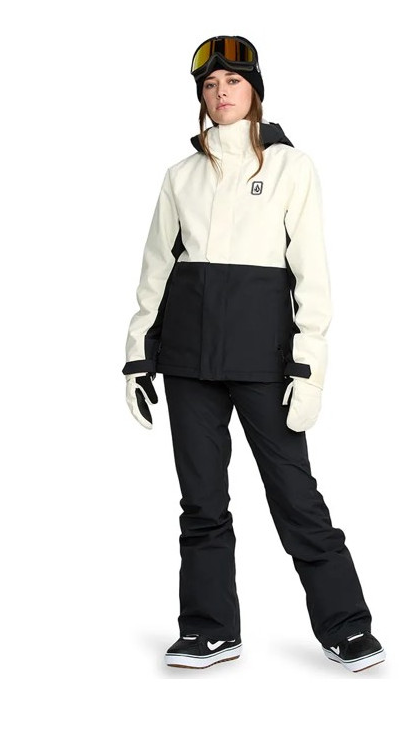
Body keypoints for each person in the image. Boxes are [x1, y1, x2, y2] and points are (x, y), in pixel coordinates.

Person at [122, 35, 385, 673]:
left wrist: (309, 369)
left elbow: (312, 273)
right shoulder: (180, 176)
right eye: (210, 85)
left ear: (255, 91)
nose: (222, 93)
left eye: (233, 83)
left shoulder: (291, 168)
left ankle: (346, 626)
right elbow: (157, 269)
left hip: (264, 361)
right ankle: (209, 629)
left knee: (295, 497)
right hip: (188, 363)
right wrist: (137, 355)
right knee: (201, 503)